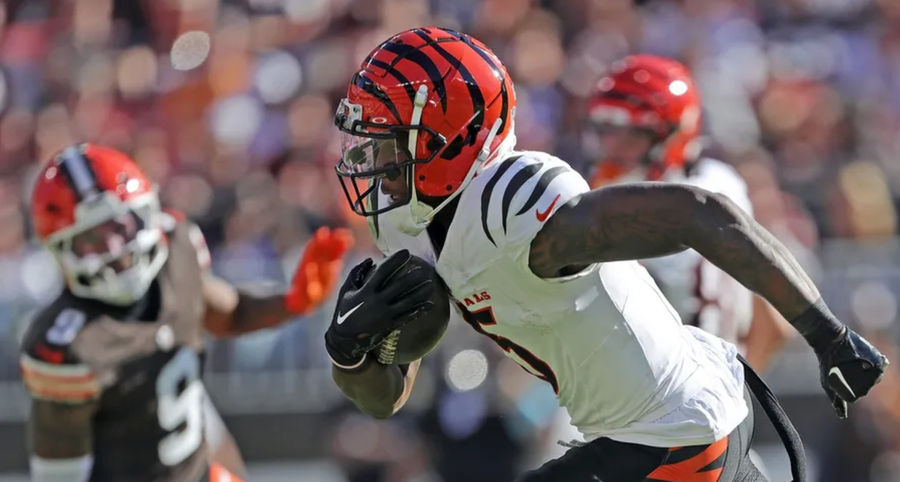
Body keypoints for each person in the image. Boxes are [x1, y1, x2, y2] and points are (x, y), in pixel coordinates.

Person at [323, 27, 888, 481]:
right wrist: (350, 353)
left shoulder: (511, 203)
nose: (371, 160)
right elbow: (384, 399)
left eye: (387, 141)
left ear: (445, 139)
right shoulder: (416, 222)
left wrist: (828, 334)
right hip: (659, 427)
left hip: (672, 433)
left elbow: (700, 212)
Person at [20, 143, 352, 482]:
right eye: (90, 239)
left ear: (146, 212)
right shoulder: (68, 344)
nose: (114, 250)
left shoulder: (176, 248)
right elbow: (59, 474)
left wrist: (292, 302)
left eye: (119, 226)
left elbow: (230, 314)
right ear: (61, 248)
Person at [584, 54, 792, 371]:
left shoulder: (637, 214)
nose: (613, 148)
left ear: (671, 134)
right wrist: (738, 396)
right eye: (606, 131)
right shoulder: (722, 183)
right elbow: (774, 325)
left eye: (631, 136)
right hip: (712, 396)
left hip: (653, 398)